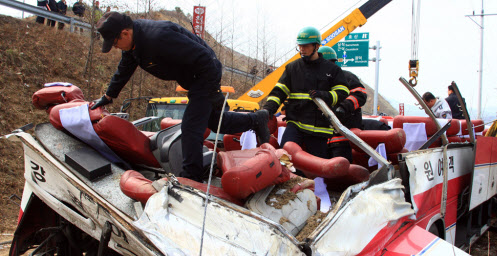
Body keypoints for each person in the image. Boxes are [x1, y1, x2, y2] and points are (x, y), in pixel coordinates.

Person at [91, 12, 270, 182]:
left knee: (191, 127)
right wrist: (108, 96)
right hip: (193, 77)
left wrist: (214, 92)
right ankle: (256, 120)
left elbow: (205, 58)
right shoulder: (133, 45)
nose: (115, 47)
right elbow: (124, 69)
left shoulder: (158, 37)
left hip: (204, 71)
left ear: (124, 33)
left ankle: (191, 177)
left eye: (114, 43)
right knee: (215, 122)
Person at [260, 27, 350, 160]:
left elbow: (343, 91)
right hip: (296, 122)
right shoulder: (292, 68)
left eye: (305, 46)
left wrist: (325, 96)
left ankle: (312, 181)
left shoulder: (332, 69)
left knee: (316, 164)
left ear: (317, 46)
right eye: (300, 45)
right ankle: (287, 179)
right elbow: (279, 92)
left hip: (320, 128)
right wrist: (268, 109)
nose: (302, 49)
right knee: (284, 155)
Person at [318, 45, 367, 162]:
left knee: (341, 169)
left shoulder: (346, 77)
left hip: (344, 135)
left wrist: (343, 108)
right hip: (322, 137)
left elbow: (360, 95)